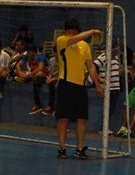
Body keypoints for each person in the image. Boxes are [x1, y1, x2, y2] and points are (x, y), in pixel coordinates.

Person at [55, 18, 104, 159]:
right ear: (65, 31)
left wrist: (97, 85)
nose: (71, 34)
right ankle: (62, 148)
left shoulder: (85, 46)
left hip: (80, 86)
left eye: (74, 32)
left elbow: (90, 66)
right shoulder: (61, 40)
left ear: (77, 31)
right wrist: (93, 31)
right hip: (65, 83)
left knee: (82, 118)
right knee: (63, 118)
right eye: (69, 31)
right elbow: (77, 38)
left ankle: (80, 149)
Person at [16, 45, 56, 115]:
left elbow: (40, 68)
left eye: (31, 53)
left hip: (45, 75)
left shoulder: (40, 56)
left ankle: (50, 106)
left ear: (35, 53)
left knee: (39, 76)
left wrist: (30, 74)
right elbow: (18, 65)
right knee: (18, 73)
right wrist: (20, 74)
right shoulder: (26, 56)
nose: (29, 55)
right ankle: (38, 105)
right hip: (34, 75)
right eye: (28, 53)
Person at [94, 40, 120, 135]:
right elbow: (93, 66)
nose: (117, 50)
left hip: (115, 87)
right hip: (107, 87)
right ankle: (103, 128)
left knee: (111, 108)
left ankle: (105, 127)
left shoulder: (116, 58)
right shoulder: (103, 57)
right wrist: (99, 78)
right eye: (116, 47)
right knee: (107, 109)